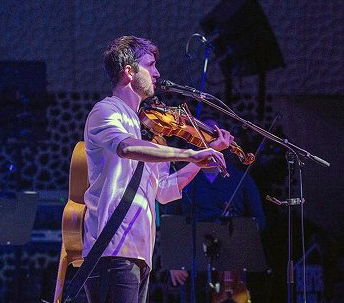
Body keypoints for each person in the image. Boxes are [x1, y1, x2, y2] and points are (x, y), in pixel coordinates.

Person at [82, 36, 234, 303]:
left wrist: (199, 161)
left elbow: (164, 190)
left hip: (140, 251)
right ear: (129, 71)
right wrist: (190, 152)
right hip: (112, 250)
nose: (157, 72)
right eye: (150, 65)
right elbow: (126, 148)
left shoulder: (148, 129)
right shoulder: (106, 111)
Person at [165, 119, 266, 303]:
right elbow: (170, 216)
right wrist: (174, 260)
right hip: (193, 259)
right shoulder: (185, 176)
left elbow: (259, 219)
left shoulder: (240, 179)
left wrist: (237, 236)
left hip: (231, 261)